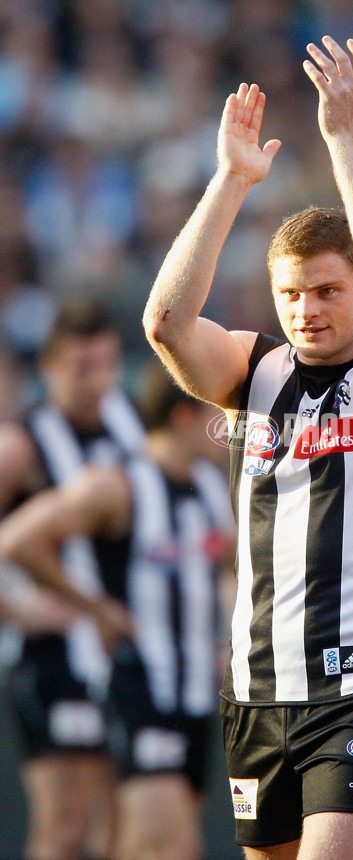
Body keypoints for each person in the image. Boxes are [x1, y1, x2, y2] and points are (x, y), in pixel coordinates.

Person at [142, 34, 353, 860]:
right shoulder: (256, 371)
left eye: (326, 291)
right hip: (255, 691)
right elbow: (168, 325)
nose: (306, 309)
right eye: (291, 293)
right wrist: (230, 181)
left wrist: (344, 138)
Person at [0, 362, 235, 860]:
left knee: (126, 843)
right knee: (171, 845)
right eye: (217, 415)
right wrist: (94, 607)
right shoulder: (119, 485)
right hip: (137, 686)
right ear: (183, 417)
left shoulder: (214, 488)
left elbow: (228, 570)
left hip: (195, 697)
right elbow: (18, 539)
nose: (228, 430)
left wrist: (230, 639)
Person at [0, 298, 145, 860]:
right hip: (54, 656)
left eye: (107, 365)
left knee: (120, 829)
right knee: (64, 825)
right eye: (81, 368)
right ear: (50, 368)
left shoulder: (135, 428)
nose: (97, 382)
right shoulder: (22, 445)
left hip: (127, 652)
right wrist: (16, 609)